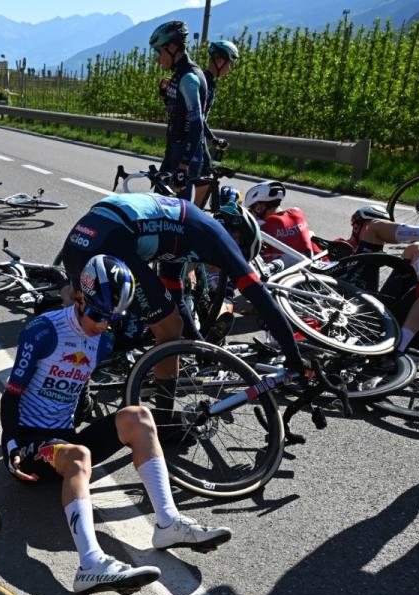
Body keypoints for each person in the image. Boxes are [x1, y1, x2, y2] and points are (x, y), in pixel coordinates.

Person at [2, 255, 232, 594]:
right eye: (97, 314)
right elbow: (11, 395)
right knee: (79, 455)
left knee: (138, 416)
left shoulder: (106, 337)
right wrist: (11, 446)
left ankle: (168, 523)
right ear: (79, 298)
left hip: (65, 438)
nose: (102, 325)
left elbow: (163, 326)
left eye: (111, 318)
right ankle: (90, 564)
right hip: (29, 445)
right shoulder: (43, 331)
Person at [60, 193, 309, 394]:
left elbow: (176, 299)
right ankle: (163, 417)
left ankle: (64, 376)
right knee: (169, 330)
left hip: (83, 237)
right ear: (237, 239)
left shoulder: (184, 236)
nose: (224, 270)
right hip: (112, 236)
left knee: (93, 312)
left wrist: (201, 347)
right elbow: (263, 300)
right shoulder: (220, 239)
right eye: (239, 258)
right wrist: (295, 360)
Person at [150, 21, 206, 201]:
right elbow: (179, 113)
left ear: (173, 47)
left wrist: (183, 166)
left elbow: (197, 125)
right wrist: (166, 97)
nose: (157, 58)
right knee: (160, 210)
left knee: (180, 219)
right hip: (174, 151)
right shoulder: (178, 75)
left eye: (158, 51)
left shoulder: (189, 78)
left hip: (183, 156)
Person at [194, 39, 238, 207]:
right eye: (229, 63)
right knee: (205, 177)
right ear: (220, 61)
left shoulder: (205, 80)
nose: (229, 68)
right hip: (195, 138)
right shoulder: (206, 83)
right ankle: (193, 217)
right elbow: (198, 116)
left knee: (197, 178)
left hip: (194, 136)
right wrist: (213, 139)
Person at [244, 181, 321, 262]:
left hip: (287, 272)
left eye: (251, 210)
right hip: (309, 264)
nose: (251, 213)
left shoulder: (263, 227)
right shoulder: (297, 212)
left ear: (259, 207)